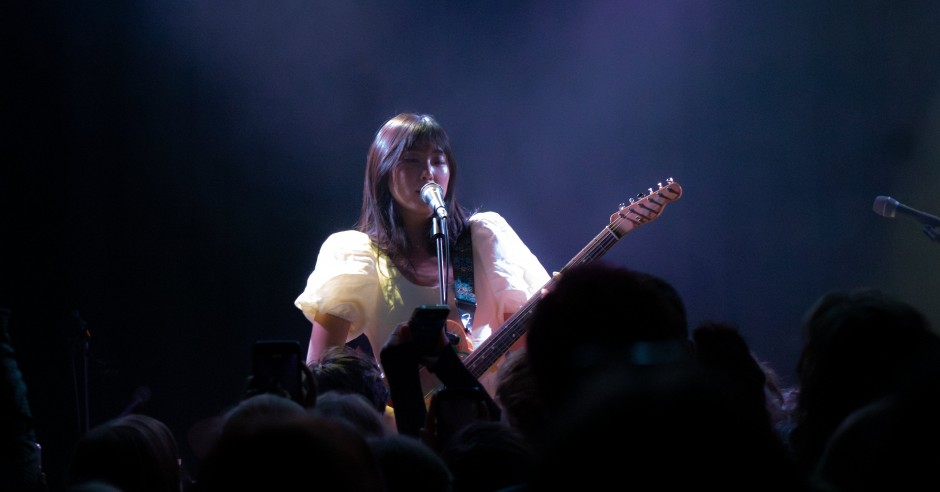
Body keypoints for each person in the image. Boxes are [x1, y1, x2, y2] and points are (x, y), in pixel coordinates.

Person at [294, 112, 550, 389]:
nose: (428, 172)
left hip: (487, 420)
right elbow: (319, 369)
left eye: (438, 160)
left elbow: (529, 352)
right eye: (412, 160)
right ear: (383, 171)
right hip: (407, 422)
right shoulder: (356, 253)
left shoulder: (483, 239)